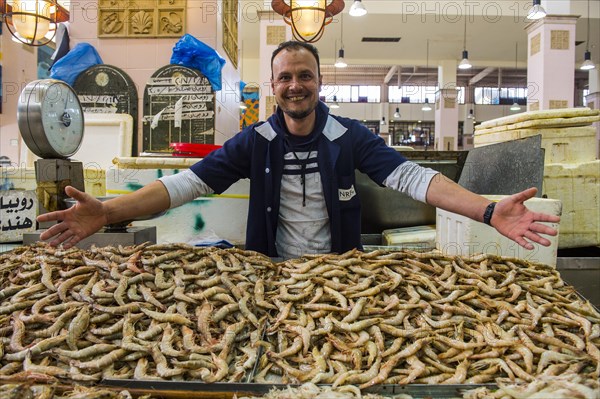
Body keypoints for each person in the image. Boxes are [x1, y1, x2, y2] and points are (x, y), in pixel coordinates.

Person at [38, 41, 560, 259]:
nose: (295, 86)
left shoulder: (349, 136)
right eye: (285, 78)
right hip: (274, 275)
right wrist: (105, 212)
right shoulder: (255, 141)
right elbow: (183, 186)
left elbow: (413, 178)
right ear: (273, 86)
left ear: (318, 84)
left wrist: (488, 210)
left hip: (340, 274)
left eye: (304, 76)